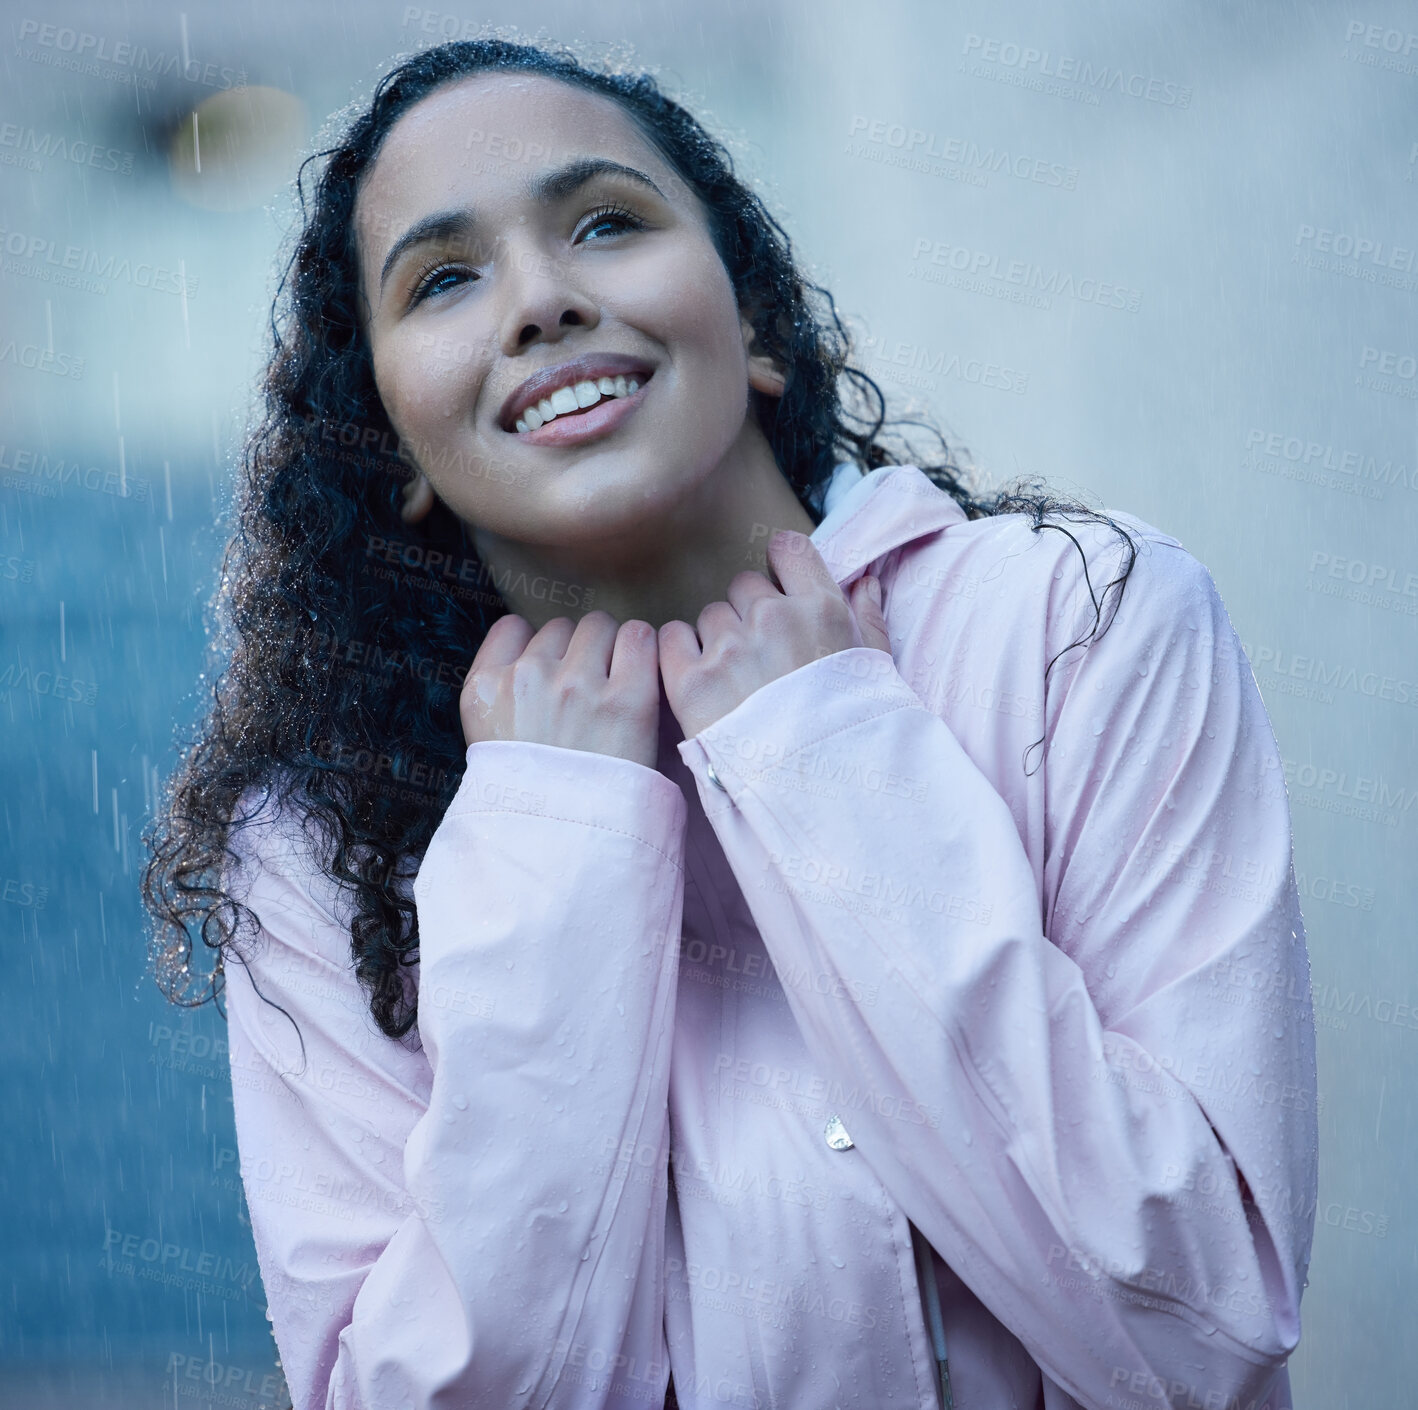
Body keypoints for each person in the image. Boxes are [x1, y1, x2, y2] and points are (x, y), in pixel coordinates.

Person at [142, 36, 1318, 1410]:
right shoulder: (322, 837)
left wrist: (818, 752)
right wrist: (554, 845)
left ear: (752, 323)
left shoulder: (1080, 620)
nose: (542, 298)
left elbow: (1207, 1321)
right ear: (392, 444)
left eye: (605, 222)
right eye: (445, 277)